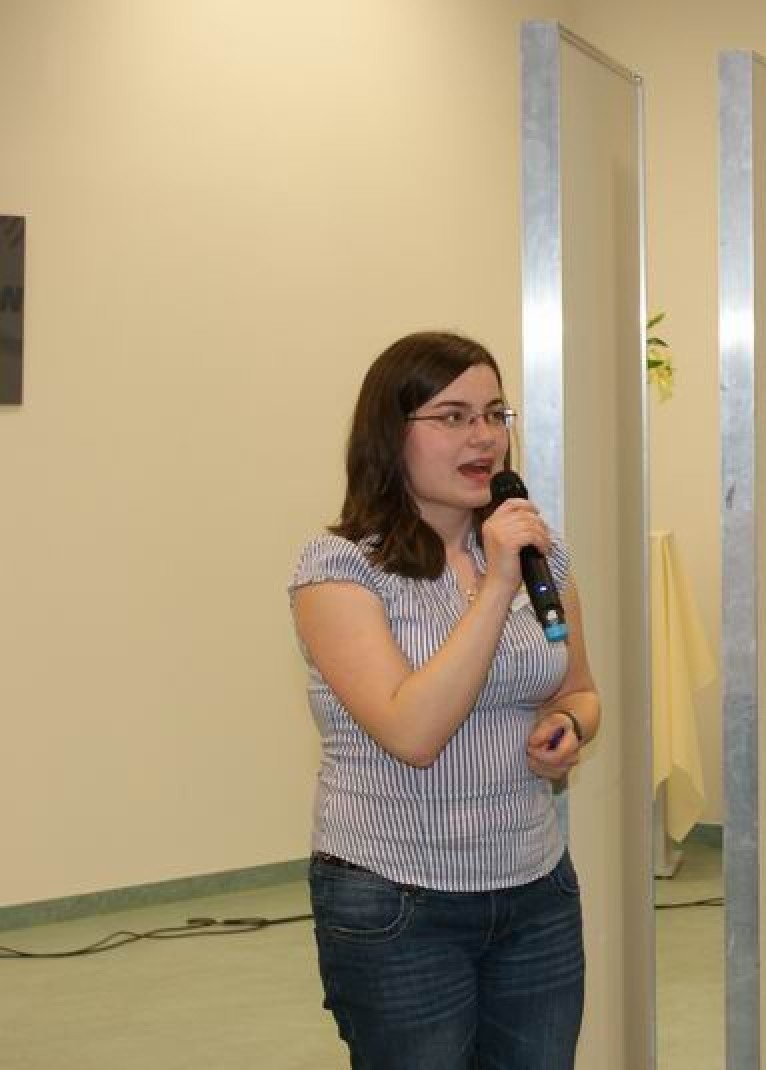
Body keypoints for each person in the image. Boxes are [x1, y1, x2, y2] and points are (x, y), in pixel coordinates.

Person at [289, 331, 597, 1068]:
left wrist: (566, 724)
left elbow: (581, 691)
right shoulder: (338, 569)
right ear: (390, 434)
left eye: (494, 414)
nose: (483, 437)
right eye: (453, 417)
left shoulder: (542, 558)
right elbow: (413, 731)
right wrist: (495, 586)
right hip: (396, 900)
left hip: (535, 890)